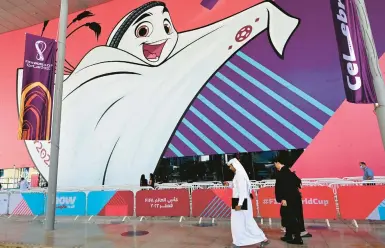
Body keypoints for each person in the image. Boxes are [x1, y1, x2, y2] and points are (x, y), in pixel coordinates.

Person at [225, 158, 269, 247]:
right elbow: (236, 187)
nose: (230, 168)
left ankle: (262, 238)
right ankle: (237, 242)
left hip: (241, 201)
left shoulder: (240, 175)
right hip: (238, 200)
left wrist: (240, 204)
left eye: (230, 166)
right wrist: (228, 184)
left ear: (234, 165)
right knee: (238, 222)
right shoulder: (238, 175)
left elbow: (243, 191)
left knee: (247, 221)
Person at [274, 161, 303, 245]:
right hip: (294, 198)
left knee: (290, 218)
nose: (275, 166)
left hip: (288, 199)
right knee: (287, 216)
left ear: (278, 163)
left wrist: (284, 198)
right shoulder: (288, 172)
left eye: (275, 164)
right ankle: (288, 235)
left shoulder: (283, 173)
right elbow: (298, 183)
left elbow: (284, 187)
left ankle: (297, 237)